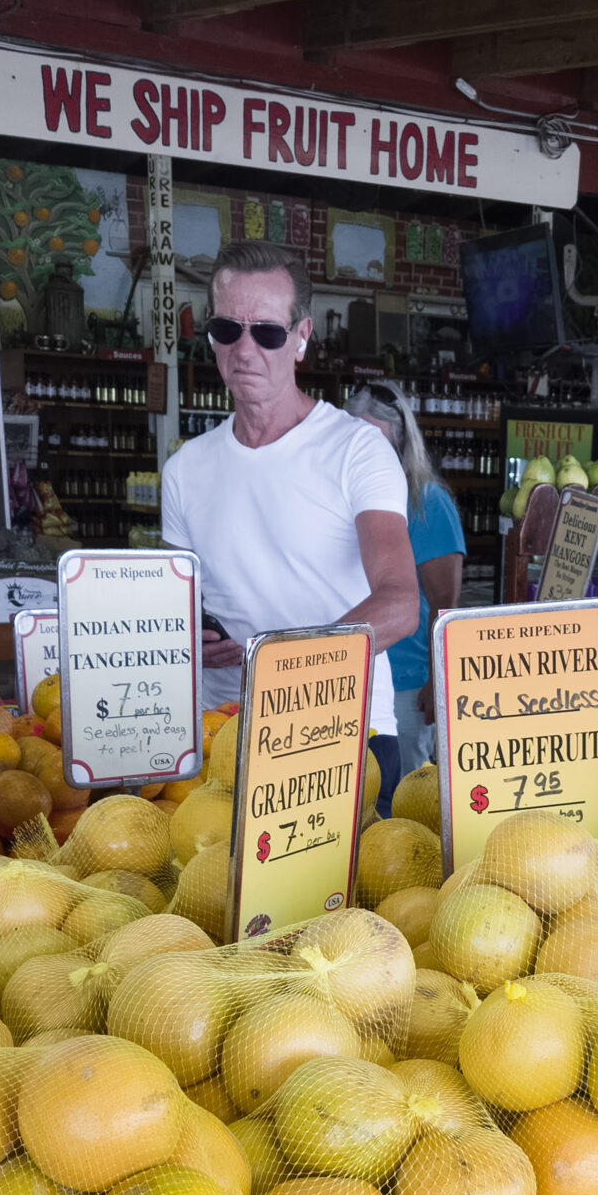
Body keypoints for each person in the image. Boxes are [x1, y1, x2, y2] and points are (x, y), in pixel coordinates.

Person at [160, 241, 420, 796]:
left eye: (268, 333)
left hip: (347, 730)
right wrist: (186, 637)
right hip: (225, 733)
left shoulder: (357, 450)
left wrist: (291, 673)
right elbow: (175, 608)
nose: (245, 349)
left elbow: (401, 603)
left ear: (301, 338)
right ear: (211, 336)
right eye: (228, 329)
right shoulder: (185, 470)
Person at [346, 382, 465, 779]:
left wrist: (437, 681)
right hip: (352, 675)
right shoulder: (341, 498)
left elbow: (445, 602)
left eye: (375, 440)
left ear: (400, 444)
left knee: (403, 799)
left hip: (405, 684)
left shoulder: (426, 501)